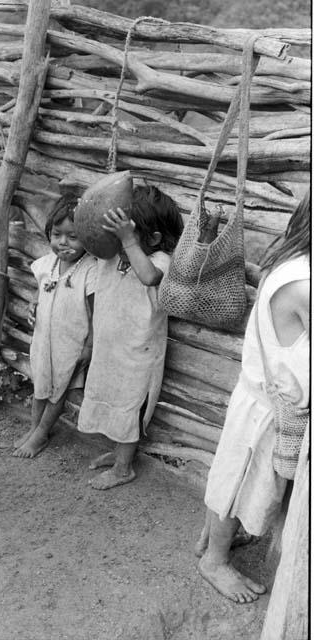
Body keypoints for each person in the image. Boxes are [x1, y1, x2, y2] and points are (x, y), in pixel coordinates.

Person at [196, 191, 310, 603]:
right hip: (269, 409)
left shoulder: (291, 262)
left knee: (240, 480)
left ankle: (214, 539)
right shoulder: (304, 285)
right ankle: (214, 560)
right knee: (241, 483)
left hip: (261, 396)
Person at [77, 185, 184, 490]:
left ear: (152, 238)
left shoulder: (160, 260)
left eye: (129, 231)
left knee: (130, 407)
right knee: (112, 398)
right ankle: (119, 453)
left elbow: (149, 277)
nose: (121, 236)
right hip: (111, 347)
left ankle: (124, 468)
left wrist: (128, 241)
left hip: (139, 352)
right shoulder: (115, 253)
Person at [12, 193, 96, 458]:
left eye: (73, 237)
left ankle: (41, 434)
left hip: (70, 343)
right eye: (57, 234)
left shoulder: (90, 270)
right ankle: (34, 427)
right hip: (43, 339)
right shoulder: (48, 264)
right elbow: (42, 292)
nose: (63, 242)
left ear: (87, 238)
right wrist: (34, 304)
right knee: (41, 385)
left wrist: (89, 346)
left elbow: (95, 314)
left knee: (59, 390)